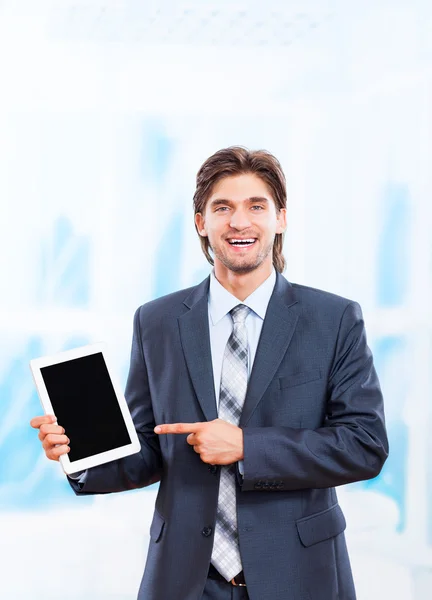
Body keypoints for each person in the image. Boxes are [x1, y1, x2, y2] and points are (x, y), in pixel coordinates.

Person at [30, 146, 389, 600]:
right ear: (202, 222)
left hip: (298, 576)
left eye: (256, 206)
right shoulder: (156, 321)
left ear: (281, 218)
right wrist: (78, 453)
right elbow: (149, 449)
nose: (240, 222)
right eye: (223, 208)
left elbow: (365, 445)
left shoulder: (333, 319)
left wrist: (245, 447)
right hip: (184, 581)